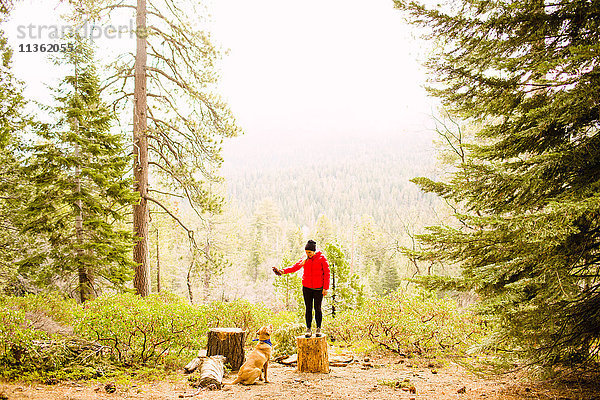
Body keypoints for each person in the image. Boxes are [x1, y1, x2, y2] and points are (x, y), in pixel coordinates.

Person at [273, 240, 330, 338]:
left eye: (310, 252)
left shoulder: (322, 258)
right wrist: (282, 271)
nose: (308, 254)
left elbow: (327, 273)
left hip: (318, 289)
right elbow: (294, 267)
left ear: (314, 251)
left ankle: (318, 328)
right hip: (307, 288)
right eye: (306, 252)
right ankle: (308, 329)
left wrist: (325, 288)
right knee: (308, 308)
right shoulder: (304, 259)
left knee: (317, 308)